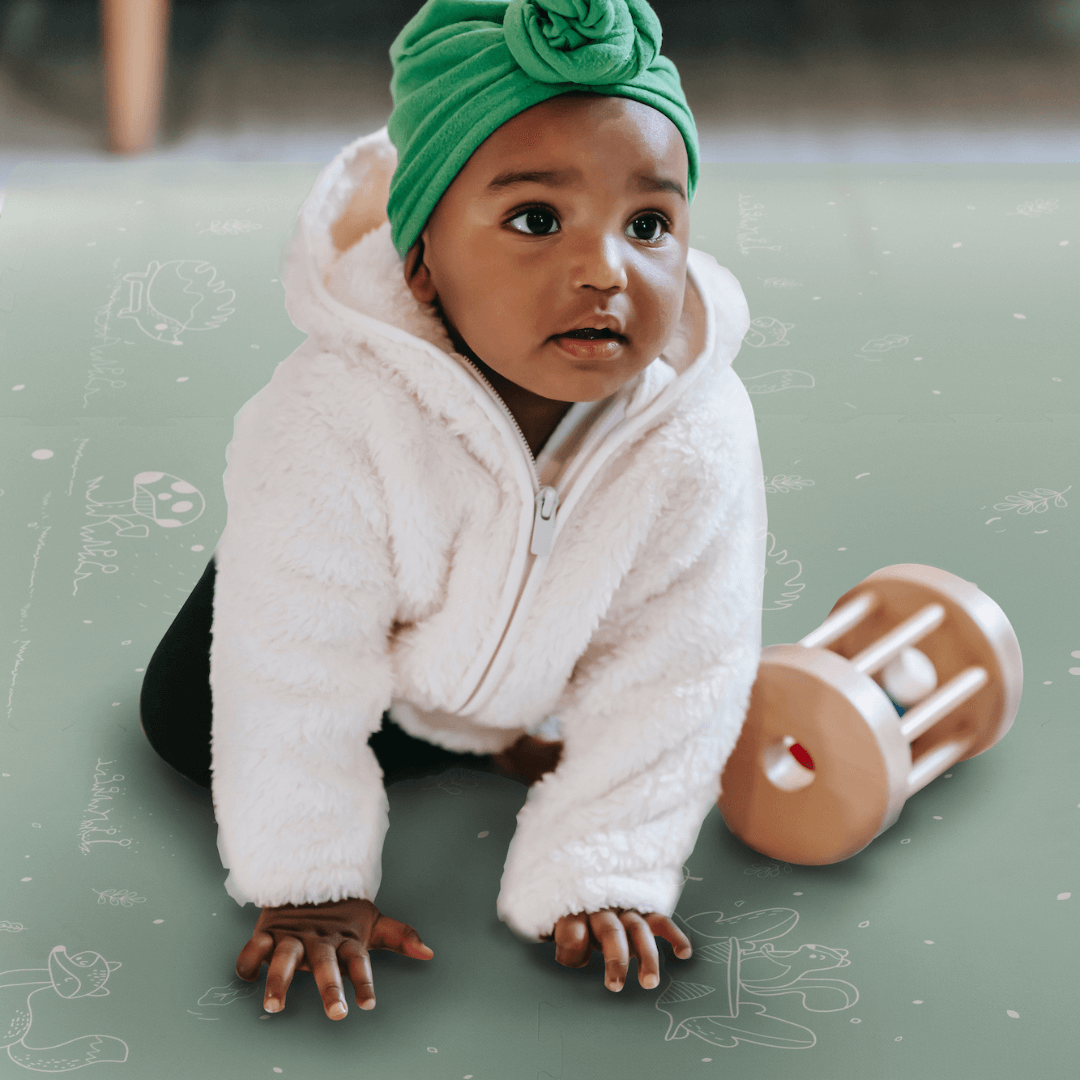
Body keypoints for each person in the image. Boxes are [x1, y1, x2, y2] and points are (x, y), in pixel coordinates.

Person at [139, 0, 768, 1024]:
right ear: (423, 260)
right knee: (188, 720)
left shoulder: (696, 431)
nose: (607, 268)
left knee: (634, 678)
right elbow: (290, 664)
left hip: (531, 637)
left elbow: (684, 658)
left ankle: (492, 720)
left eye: (649, 223)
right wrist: (312, 889)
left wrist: (606, 867)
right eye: (535, 219)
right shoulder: (339, 412)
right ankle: (444, 717)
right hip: (341, 601)